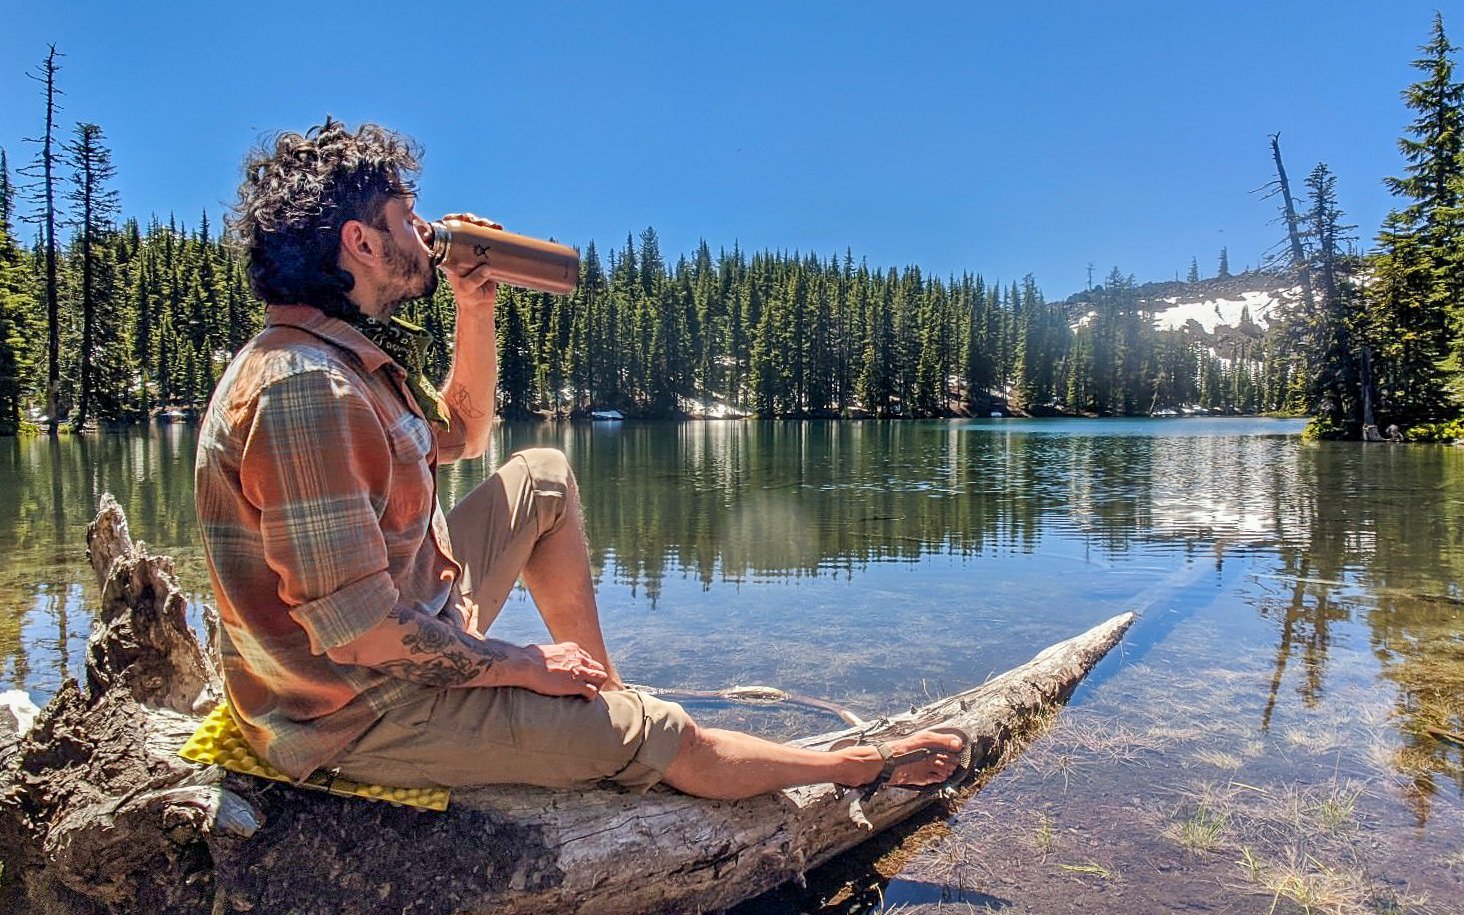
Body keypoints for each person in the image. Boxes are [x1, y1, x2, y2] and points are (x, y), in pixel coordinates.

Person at [196, 119, 964, 801]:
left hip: (404, 628)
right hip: (357, 710)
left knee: (544, 477)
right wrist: (520, 664)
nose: (424, 229)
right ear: (359, 243)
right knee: (666, 730)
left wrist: (475, 304)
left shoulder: (342, 362)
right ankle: (858, 766)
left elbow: (461, 433)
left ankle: (602, 698)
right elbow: (360, 636)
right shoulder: (305, 391)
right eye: (405, 217)